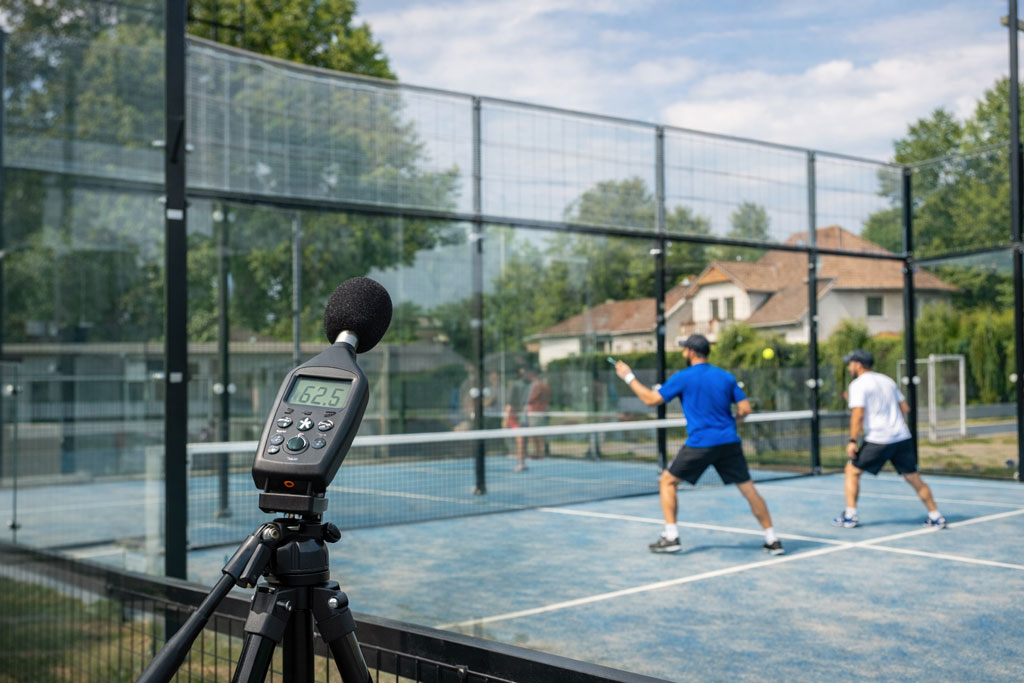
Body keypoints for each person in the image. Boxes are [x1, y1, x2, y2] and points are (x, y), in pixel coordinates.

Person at [615, 334, 784, 555]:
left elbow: (651, 399)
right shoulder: (725, 377)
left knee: (667, 481)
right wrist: (732, 425)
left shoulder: (683, 377)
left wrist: (628, 377)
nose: (683, 353)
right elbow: (745, 409)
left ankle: (671, 536)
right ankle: (772, 539)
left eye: (685, 349)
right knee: (749, 490)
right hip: (729, 442)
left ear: (692, 352)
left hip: (701, 443)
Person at [833, 349, 947, 529]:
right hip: (901, 437)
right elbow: (904, 408)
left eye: (850, 363)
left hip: (879, 439)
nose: (849, 367)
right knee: (913, 477)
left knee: (851, 471)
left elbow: (858, 414)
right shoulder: (887, 380)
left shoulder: (858, 385)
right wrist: (892, 421)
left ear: (858, 365)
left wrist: (852, 441)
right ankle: (936, 516)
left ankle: (850, 515)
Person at [503, 365, 528, 471]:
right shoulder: (519, 385)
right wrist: (506, 418)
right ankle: (520, 461)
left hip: (518, 415)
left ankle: (521, 462)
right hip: (516, 415)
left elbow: (510, 405)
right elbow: (510, 405)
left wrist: (506, 418)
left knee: (520, 439)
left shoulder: (520, 385)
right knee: (520, 439)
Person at [524, 368, 552, 459]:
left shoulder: (539, 385)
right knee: (534, 434)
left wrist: (526, 402)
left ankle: (541, 454)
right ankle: (538, 453)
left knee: (538, 434)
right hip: (534, 413)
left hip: (537, 414)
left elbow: (531, 398)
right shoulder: (538, 385)